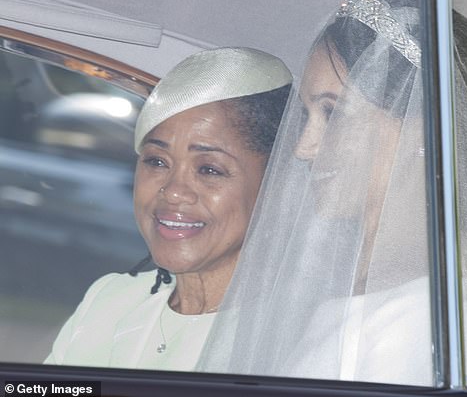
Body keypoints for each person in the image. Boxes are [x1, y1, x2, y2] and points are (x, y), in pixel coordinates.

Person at [196, 0, 467, 386]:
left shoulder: (429, 318)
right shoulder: (343, 286)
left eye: (333, 113)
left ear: (422, 133)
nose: (303, 147)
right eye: (307, 116)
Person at [44, 47, 292, 370]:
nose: (173, 192)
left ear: (277, 183)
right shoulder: (108, 301)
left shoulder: (290, 338)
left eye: (209, 169)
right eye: (157, 161)